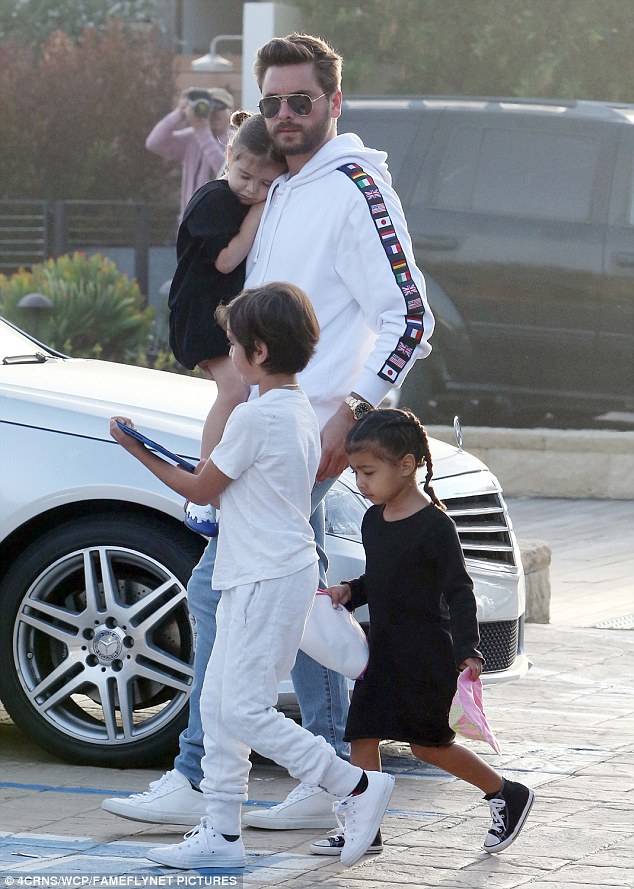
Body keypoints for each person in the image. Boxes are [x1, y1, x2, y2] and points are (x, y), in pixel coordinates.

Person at [101, 31, 434, 832]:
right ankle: (316, 769)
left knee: (227, 594)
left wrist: (352, 411)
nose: (287, 115)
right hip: (273, 430)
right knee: (274, 603)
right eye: (275, 101)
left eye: (303, 101)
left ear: (333, 103)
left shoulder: (353, 185)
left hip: (309, 438)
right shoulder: (283, 185)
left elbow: (410, 313)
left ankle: (227, 774)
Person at [109, 283, 395, 870]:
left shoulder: (255, 416)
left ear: (259, 352)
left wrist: (134, 447)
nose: (230, 353)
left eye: (235, 344)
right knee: (219, 705)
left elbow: (200, 488)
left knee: (242, 710)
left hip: (266, 580)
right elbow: (230, 483)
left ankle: (355, 786)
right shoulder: (295, 409)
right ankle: (222, 833)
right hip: (266, 575)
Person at [308, 408, 534, 858]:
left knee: (429, 746)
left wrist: (468, 651)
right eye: (355, 472)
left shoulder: (435, 526)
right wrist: (349, 591)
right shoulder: (373, 520)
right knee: (363, 734)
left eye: (368, 472)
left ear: (407, 465)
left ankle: (507, 793)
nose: (360, 482)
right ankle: (364, 827)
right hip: (383, 650)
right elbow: (383, 578)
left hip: (427, 655)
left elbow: (460, 591)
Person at [168, 111, 286, 479]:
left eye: (266, 184)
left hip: (222, 314)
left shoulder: (237, 198)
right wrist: (261, 208)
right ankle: (206, 476)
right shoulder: (216, 199)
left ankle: (227, 467)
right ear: (229, 153)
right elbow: (225, 260)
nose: (251, 189)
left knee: (244, 392)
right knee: (234, 390)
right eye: (246, 176)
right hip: (200, 314)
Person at [146, 87, 234, 221]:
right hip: (188, 221)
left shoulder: (236, 141)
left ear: (231, 113)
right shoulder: (192, 137)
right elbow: (154, 143)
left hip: (218, 221)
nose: (214, 113)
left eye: (220, 108)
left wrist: (202, 131)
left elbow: (225, 171)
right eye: (210, 108)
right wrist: (179, 113)